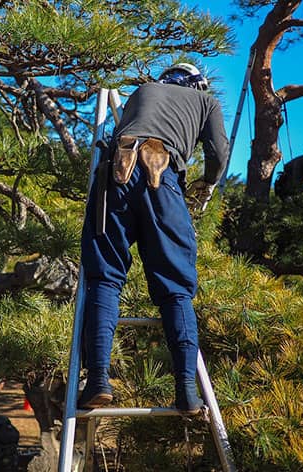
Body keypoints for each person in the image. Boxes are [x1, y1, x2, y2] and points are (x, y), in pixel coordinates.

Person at [78, 63, 228, 414]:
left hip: (116, 174)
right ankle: (187, 391)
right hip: (164, 179)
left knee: (105, 277)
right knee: (175, 287)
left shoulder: (142, 92)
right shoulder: (206, 102)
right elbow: (219, 154)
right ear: (198, 84)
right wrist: (206, 185)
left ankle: (98, 380)